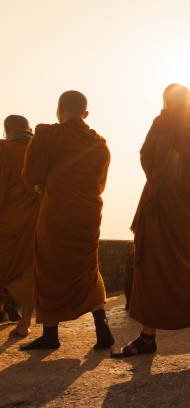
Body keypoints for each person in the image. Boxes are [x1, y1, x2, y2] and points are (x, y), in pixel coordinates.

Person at [112, 84, 190, 358]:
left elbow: (149, 161)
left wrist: (162, 123)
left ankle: (147, 337)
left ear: (167, 103)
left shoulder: (164, 123)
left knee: (151, 268)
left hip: (162, 207)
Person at [20, 91, 114, 350]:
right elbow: (100, 184)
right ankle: (101, 325)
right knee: (88, 268)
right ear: (85, 114)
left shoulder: (48, 135)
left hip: (56, 213)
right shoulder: (100, 144)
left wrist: (43, 190)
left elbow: (30, 175)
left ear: (59, 109)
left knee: (49, 268)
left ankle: (50, 333)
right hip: (88, 215)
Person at [0, 115, 38, 337]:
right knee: (30, 272)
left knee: (4, 266)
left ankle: (9, 303)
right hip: (35, 220)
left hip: (8, 221)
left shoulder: (4, 149)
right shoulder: (40, 151)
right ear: (29, 128)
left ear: (7, 130)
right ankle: (25, 323)